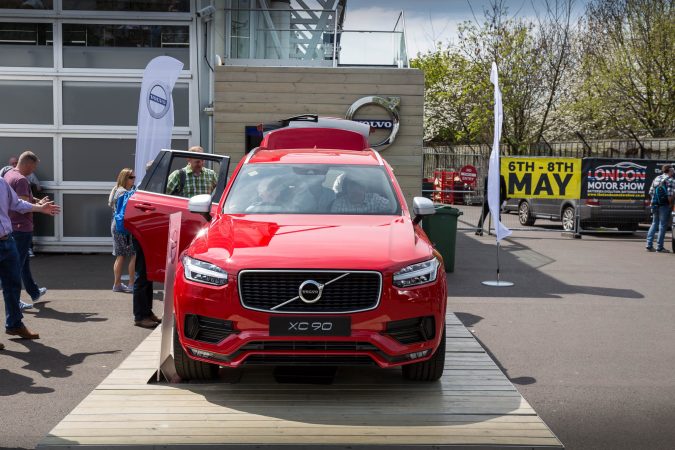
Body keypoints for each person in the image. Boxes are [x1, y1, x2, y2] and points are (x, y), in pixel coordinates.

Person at [1, 175, 60, 347]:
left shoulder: (2, 183)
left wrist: (39, 208)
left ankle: (14, 325)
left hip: (7, 240)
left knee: (13, 285)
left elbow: (17, 203)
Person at [3, 151, 50, 310]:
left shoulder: (9, 174)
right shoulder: (22, 180)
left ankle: (34, 292)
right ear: (28, 164)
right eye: (33, 167)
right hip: (21, 227)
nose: (33, 171)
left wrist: (37, 202)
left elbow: (18, 200)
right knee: (17, 265)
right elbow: (21, 205)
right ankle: (15, 302)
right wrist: (41, 208)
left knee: (22, 263)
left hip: (13, 226)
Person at [108, 168, 136, 293]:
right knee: (134, 255)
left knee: (120, 256)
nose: (134, 179)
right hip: (124, 225)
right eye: (131, 177)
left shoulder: (115, 189)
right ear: (125, 178)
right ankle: (131, 284)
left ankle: (117, 284)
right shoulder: (125, 193)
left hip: (115, 224)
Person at [645, 164, 675, 253]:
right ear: (670, 171)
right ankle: (660, 247)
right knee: (662, 226)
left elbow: (650, 192)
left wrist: (655, 201)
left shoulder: (657, 178)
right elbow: (670, 195)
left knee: (654, 224)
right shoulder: (671, 180)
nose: (673, 172)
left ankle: (649, 245)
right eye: (672, 170)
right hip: (664, 206)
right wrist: (670, 205)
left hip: (654, 204)